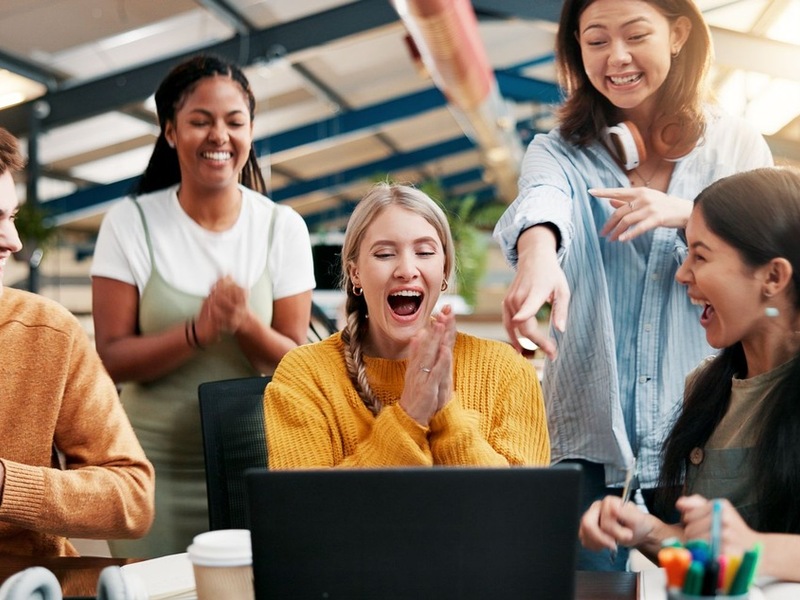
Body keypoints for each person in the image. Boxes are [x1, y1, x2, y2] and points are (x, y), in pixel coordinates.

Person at [492, 0, 773, 570]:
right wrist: (538, 257)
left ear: (679, 33)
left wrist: (689, 214)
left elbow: (770, 251)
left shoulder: (735, 146)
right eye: (596, 41)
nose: (616, 57)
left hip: (703, 435)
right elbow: (543, 202)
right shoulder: (557, 150)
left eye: (635, 35)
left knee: (714, 582)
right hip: (586, 443)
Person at [90, 54, 315, 557]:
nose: (219, 135)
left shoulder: (281, 227)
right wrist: (196, 331)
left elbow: (295, 363)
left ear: (250, 131)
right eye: (200, 121)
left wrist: (242, 323)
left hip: (253, 463)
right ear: (170, 131)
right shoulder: (130, 223)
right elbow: (111, 358)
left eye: (235, 122)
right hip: (151, 469)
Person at [579, 166, 800, 581]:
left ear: (773, 276)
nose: (682, 273)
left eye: (700, 256)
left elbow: (739, 550)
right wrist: (647, 532)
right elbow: (713, 557)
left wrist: (757, 549)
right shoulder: (706, 387)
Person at [264, 182, 550, 468]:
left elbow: (518, 496)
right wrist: (409, 416)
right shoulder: (305, 374)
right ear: (355, 274)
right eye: (384, 254)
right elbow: (305, 498)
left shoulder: (507, 371)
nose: (406, 270)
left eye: (424, 252)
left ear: (444, 270)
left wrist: (446, 414)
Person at [0, 127, 154, 557]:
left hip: (33, 580)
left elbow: (132, 497)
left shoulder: (49, 332)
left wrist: (6, 485)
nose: (14, 241)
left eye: (11, 216)